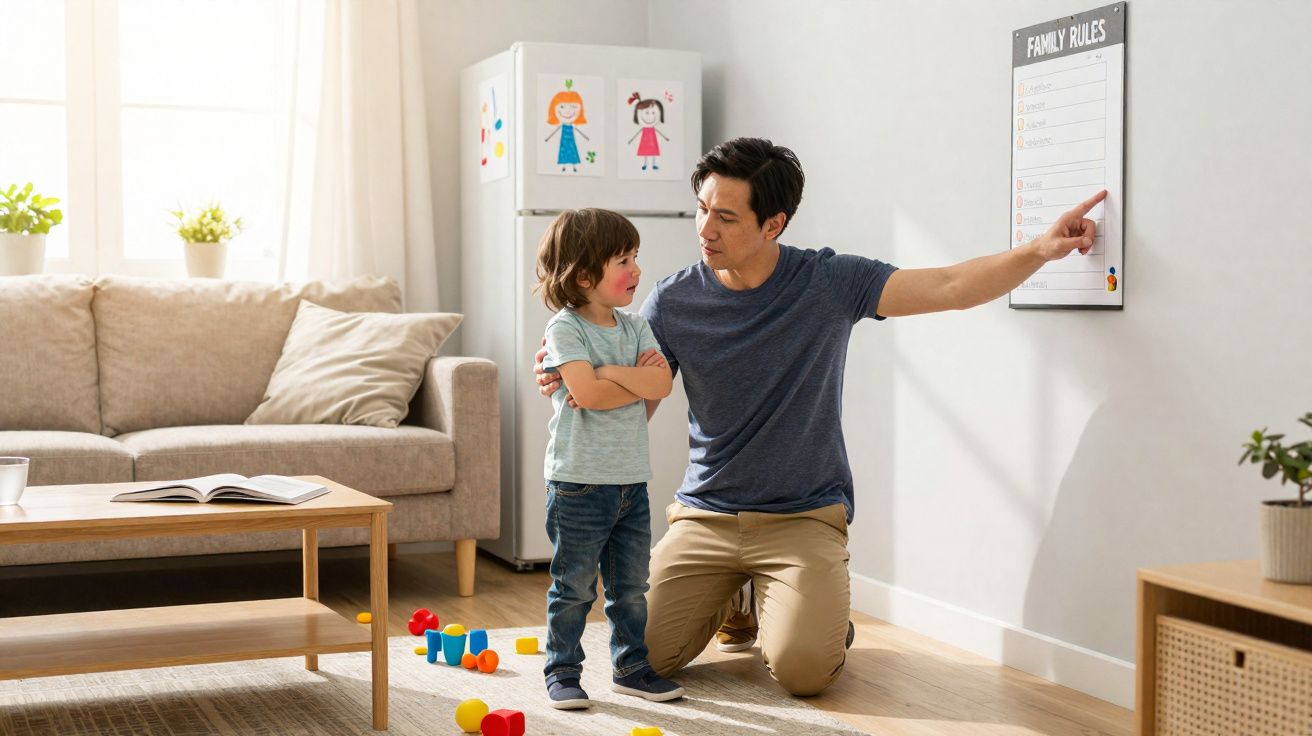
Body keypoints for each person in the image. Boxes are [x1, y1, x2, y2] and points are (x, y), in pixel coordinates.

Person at [535, 138, 1106, 696]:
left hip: (802, 518)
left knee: (804, 671)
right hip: (705, 516)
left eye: (726, 217)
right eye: (702, 209)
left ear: (773, 225)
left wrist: (1039, 249)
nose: (706, 229)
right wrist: (572, 378)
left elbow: (950, 287)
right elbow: (641, 397)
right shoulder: (673, 300)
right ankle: (739, 599)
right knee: (643, 654)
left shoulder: (829, 283)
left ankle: (804, 610)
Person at [532, 208, 686, 709]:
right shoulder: (565, 328)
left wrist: (606, 376)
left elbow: (660, 384)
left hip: (630, 484)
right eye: (624, 259)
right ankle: (562, 670)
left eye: (636, 257)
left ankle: (631, 667)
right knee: (574, 587)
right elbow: (587, 396)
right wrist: (626, 378)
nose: (636, 269)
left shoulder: (636, 325)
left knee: (630, 588)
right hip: (577, 483)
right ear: (582, 275)